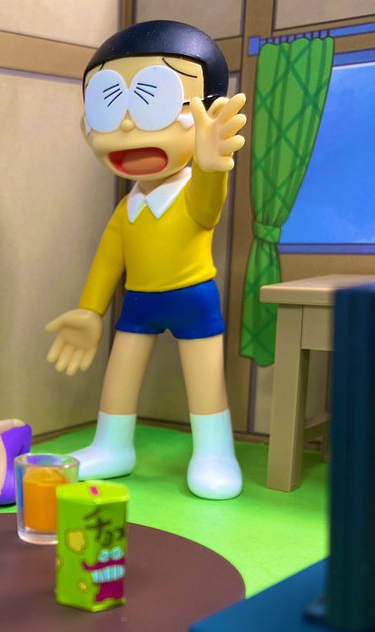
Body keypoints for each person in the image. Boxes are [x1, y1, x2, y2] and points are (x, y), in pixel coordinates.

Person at [44, 20, 247, 500]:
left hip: (193, 299)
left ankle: (215, 453)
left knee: (205, 380)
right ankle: (112, 445)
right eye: (108, 104)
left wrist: (211, 169)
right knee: (120, 374)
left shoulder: (193, 192)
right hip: (138, 303)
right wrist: (90, 311)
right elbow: (108, 259)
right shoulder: (127, 207)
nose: (127, 125)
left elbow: (208, 208)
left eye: (153, 100)